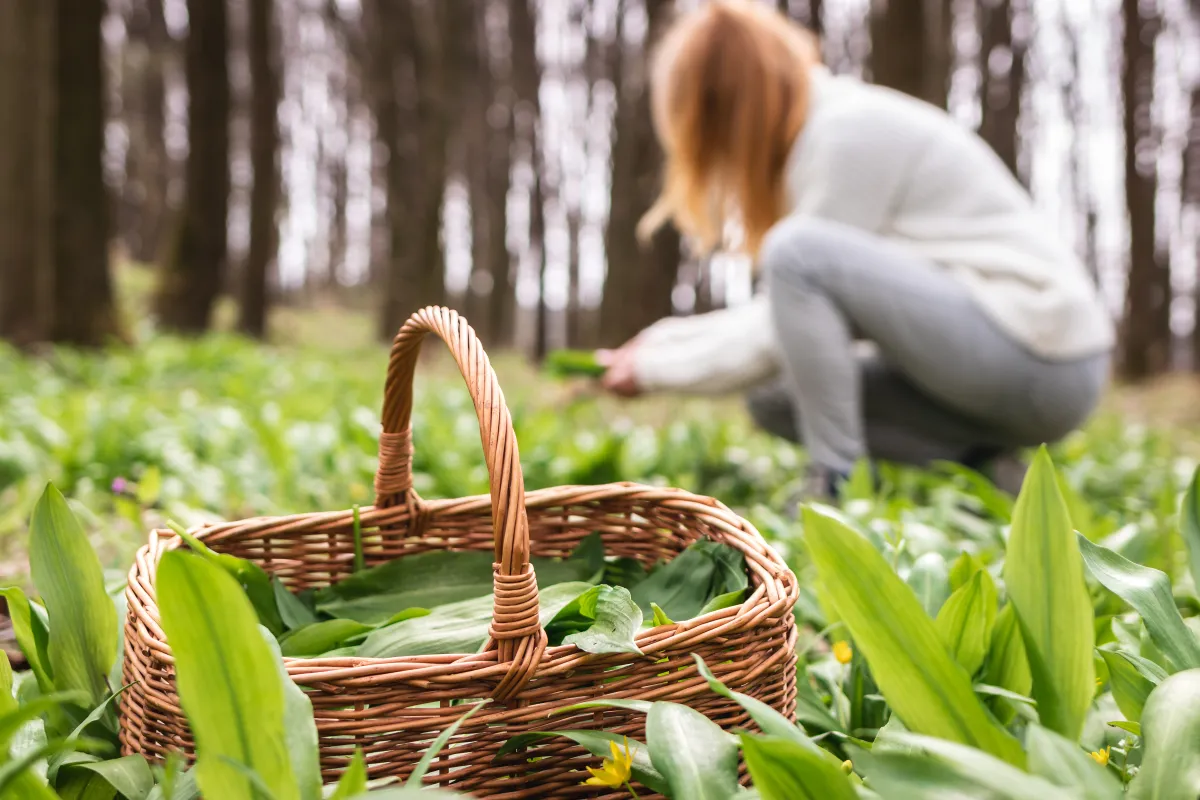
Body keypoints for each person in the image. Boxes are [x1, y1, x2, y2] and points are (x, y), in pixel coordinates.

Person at [594, 0, 1114, 498]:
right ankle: (991, 472)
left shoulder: (845, 132)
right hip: (994, 363)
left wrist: (653, 370)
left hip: (1044, 357)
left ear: (726, 105)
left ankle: (836, 482)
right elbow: (781, 324)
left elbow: (778, 312)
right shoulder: (818, 140)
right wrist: (655, 346)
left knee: (794, 253)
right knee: (774, 400)